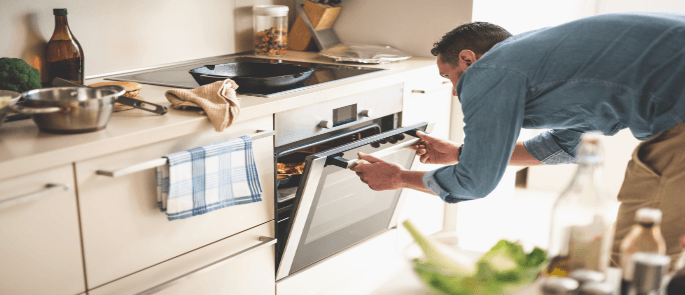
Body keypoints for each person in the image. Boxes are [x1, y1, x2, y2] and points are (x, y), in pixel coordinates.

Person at [350, 12, 685, 266]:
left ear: (469, 59)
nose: (455, 91)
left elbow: (475, 182)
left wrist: (397, 178)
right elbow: (565, 147)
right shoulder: (547, 64)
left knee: (633, 255)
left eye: (448, 76)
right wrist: (460, 153)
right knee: (634, 252)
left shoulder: (490, 70)